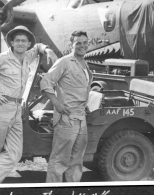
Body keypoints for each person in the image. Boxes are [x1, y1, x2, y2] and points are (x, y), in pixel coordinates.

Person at [0, 25, 58, 184]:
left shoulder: (28, 56)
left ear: (28, 44)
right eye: (18, 41)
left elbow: (38, 47)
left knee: (15, 152)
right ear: (12, 43)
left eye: (24, 41)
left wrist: (47, 50)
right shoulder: (2, 58)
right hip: (0, 109)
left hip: (17, 110)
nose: (21, 43)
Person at [40, 30, 93, 182]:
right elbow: (45, 82)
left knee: (76, 161)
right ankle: (51, 190)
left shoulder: (84, 63)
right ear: (71, 45)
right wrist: (56, 103)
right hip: (66, 119)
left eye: (84, 43)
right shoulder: (64, 62)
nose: (82, 46)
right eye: (78, 43)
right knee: (59, 160)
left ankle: (72, 189)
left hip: (81, 118)